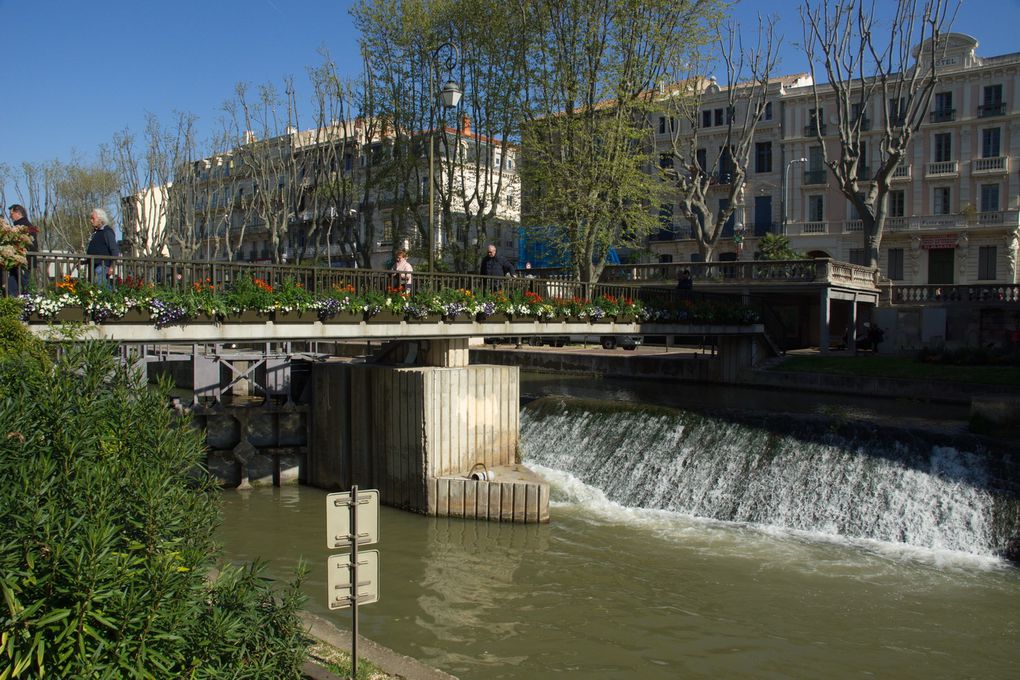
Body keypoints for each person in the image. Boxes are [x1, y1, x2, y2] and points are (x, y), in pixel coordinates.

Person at [7, 204, 38, 295]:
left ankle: (32, 304)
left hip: (24, 261)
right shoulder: (25, 226)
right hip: (17, 261)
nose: (10, 217)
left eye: (11, 214)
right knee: (12, 285)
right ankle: (15, 305)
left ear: (18, 213)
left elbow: (30, 244)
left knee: (26, 285)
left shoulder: (25, 226)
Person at [86, 208, 120, 289]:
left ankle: (110, 299)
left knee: (102, 286)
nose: (91, 221)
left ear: (100, 219)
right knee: (100, 286)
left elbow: (114, 249)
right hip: (95, 264)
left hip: (102, 265)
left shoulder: (107, 231)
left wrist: (112, 266)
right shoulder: (96, 232)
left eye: (93, 218)